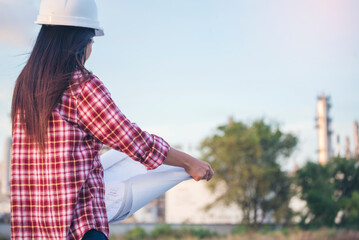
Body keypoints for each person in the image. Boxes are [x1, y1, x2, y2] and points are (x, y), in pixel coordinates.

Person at [10, 0, 214, 240]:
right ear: (79, 41)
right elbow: (133, 140)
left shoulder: (24, 87)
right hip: (78, 228)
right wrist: (190, 163)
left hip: (31, 231)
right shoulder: (81, 86)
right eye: (91, 41)